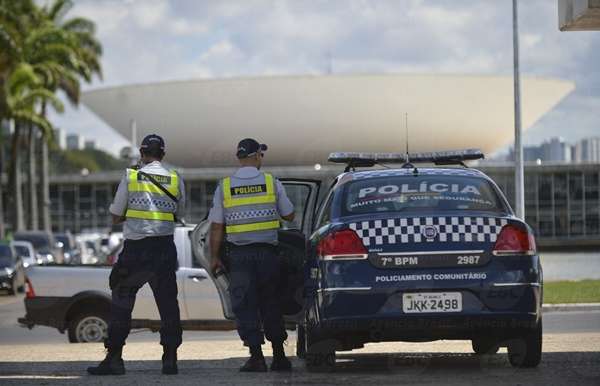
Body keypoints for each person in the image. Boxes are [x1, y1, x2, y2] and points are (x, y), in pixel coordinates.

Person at [87, 134, 185, 376]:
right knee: (168, 305)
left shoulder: (131, 176)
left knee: (122, 302)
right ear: (163, 154)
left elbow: (116, 215)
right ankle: (170, 359)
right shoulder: (175, 178)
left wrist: (134, 214)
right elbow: (178, 214)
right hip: (164, 248)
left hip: (137, 251)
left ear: (142, 154)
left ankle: (114, 359)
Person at [208, 138, 295, 372]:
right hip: (268, 255)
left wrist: (214, 256)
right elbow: (289, 215)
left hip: (240, 257)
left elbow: (216, 226)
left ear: (239, 158)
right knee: (271, 303)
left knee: (245, 304)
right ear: (257, 156)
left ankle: (256, 357)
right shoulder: (271, 182)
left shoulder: (225, 186)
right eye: (261, 156)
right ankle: (279, 357)